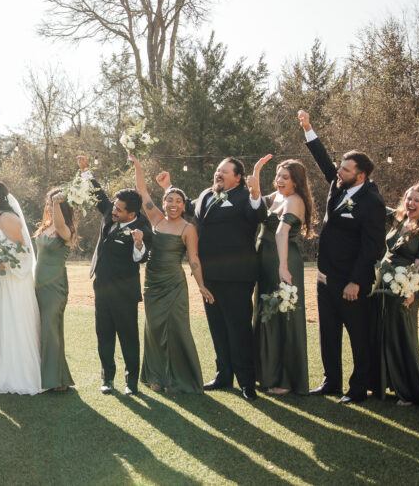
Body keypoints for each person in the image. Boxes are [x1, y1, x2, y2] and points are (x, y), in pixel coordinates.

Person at [298, 109, 386, 404]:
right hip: (325, 277)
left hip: (351, 282)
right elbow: (326, 163)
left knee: (359, 337)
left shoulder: (372, 201)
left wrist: (355, 281)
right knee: (329, 333)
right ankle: (331, 382)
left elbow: (373, 247)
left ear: (360, 175)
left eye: (345, 170)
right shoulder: (339, 185)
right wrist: (309, 129)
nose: (339, 172)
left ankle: (359, 388)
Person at [188, 155, 270, 400]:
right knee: (217, 328)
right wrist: (166, 188)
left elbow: (258, 216)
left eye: (224, 172)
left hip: (236, 276)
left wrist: (256, 193)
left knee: (238, 329)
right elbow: (184, 210)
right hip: (208, 275)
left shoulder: (246, 196)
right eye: (217, 171)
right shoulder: (205, 195)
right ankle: (223, 375)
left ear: (238, 177)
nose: (218, 174)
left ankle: (246, 382)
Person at [131, 155, 209, 394]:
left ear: (184, 206)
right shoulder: (156, 219)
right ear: (163, 203)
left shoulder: (188, 228)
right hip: (152, 283)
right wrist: (137, 165)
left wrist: (201, 286)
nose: (173, 205)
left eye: (178, 201)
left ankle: (178, 379)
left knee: (176, 329)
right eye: (169, 200)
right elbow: (142, 192)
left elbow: (194, 259)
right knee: (154, 329)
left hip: (174, 284)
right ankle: (157, 376)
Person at [80, 155, 153, 396]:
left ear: (131, 214)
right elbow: (99, 195)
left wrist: (139, 244)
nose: (114, 210)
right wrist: (86, 171)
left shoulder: (142, 228)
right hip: (102, 288)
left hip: (125, 293)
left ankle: (131, 382)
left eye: (119, 210)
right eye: (114, 206)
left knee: (129, 338)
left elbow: (140, 258)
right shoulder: (109, 212)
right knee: (104, 335)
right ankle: (107, 379)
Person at [372, 184, 419, 409]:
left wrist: (411, 291)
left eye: (417, 201)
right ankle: (384, 383)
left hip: (405, 287)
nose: (411, 203)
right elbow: (375, 205)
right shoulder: (399, 220)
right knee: (382, 332)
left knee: (401, 335)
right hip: (383, 284)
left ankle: (409, 390)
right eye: (409, 199)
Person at [0, 180, 42, 395]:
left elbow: (23, 251)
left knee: (11, 320)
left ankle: (17, 374)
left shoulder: (8, 218)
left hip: (11, 281)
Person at [253, 159, 313, 396]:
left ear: (296, 182)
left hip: (283, 262)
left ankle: (287, 379)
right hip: (266, 263)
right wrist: (256, 172)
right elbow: (256, 199)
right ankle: (266, 374)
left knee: (283, 318)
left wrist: (283, 267)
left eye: (285, 177)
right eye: (278, 176)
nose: (279, 180)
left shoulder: (294, 200)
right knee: (266, 315)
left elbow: (281, 232)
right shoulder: (276, 196)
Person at [33, 188, 77, 392]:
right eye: (49, 205)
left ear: (63, 207)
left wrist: (58, 204)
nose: (50, 208)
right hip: (37, 285)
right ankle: (44, 374)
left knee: (51, 330)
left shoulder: (65, 230)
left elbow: (59, 224)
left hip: (55, 286)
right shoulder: (44, 228)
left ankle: (56, 380)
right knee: (39, 329)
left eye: (55, 205)